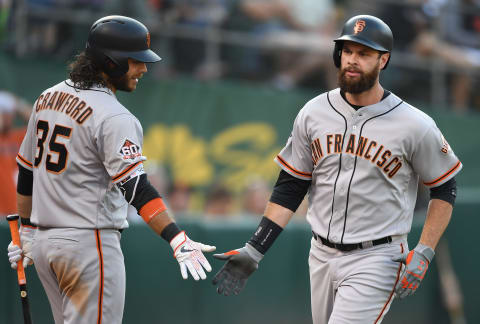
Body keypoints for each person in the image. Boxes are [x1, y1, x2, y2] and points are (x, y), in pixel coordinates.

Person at [212, 15, 462, 324]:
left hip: (378, 256)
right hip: (320, 253)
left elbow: (445, 187)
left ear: (383, 60)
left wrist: (424, 250)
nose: (353, 61)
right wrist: (255, 248)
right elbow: (291, 185)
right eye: (347, 51)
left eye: (364, 53)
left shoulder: (414, 124)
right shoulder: (314, 112)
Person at [6, 15, 215, 324]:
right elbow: (137, 189)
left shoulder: (47, 97)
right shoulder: (115, 116)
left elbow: (26, 172)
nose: (143, 69)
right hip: (87, 247)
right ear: (111, 62)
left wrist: (26, 231)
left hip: (46, 246)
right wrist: (176, 237)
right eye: (135, 61)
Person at [0, 91, 31, 217]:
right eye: (3, 112)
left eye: (9, 113)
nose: (7, 116)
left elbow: (38, 121)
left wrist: (17, 104)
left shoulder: (16, 137)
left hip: (15, 212)